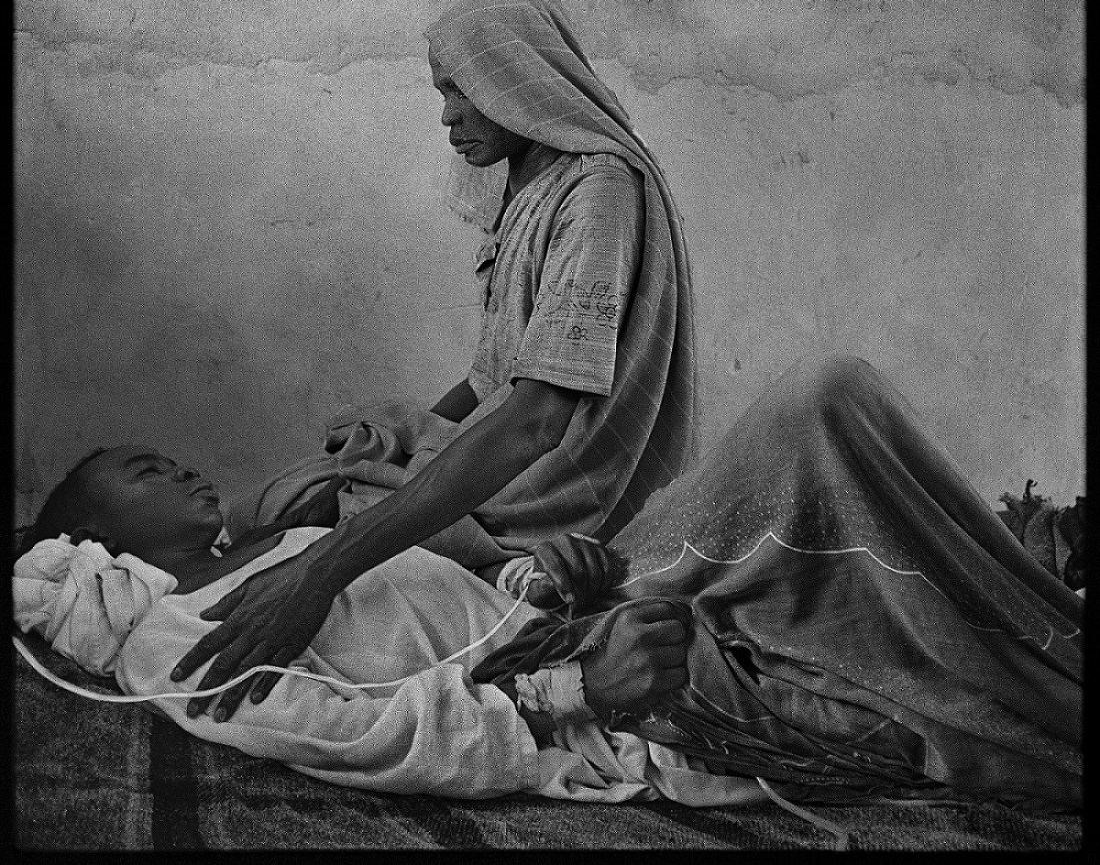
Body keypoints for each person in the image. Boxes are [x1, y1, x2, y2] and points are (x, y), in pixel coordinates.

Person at [15, 355, 1080, 817]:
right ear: (91, 538)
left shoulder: (292, 531)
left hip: (584, 608)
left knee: (832, 486)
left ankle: (1025, 584)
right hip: (620, 688)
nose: (183, 470)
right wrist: (577, 695)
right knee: (923, 689)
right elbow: (359, 733)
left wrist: (534, 568)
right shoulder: (169, 635)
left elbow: (463, 573)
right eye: (145, 474)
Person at [167, 0, 697, 721]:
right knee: (292, 494)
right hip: (513, 456)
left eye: (464, 90)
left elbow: (539, 420)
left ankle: (516, 582)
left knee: (324, 529)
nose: (448, 114)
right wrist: (397, 440)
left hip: (559, 487)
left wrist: (325, 569)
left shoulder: (599, 190)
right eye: (442, 91)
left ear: (520, 79)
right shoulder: (530, 186)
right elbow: (491, 381)